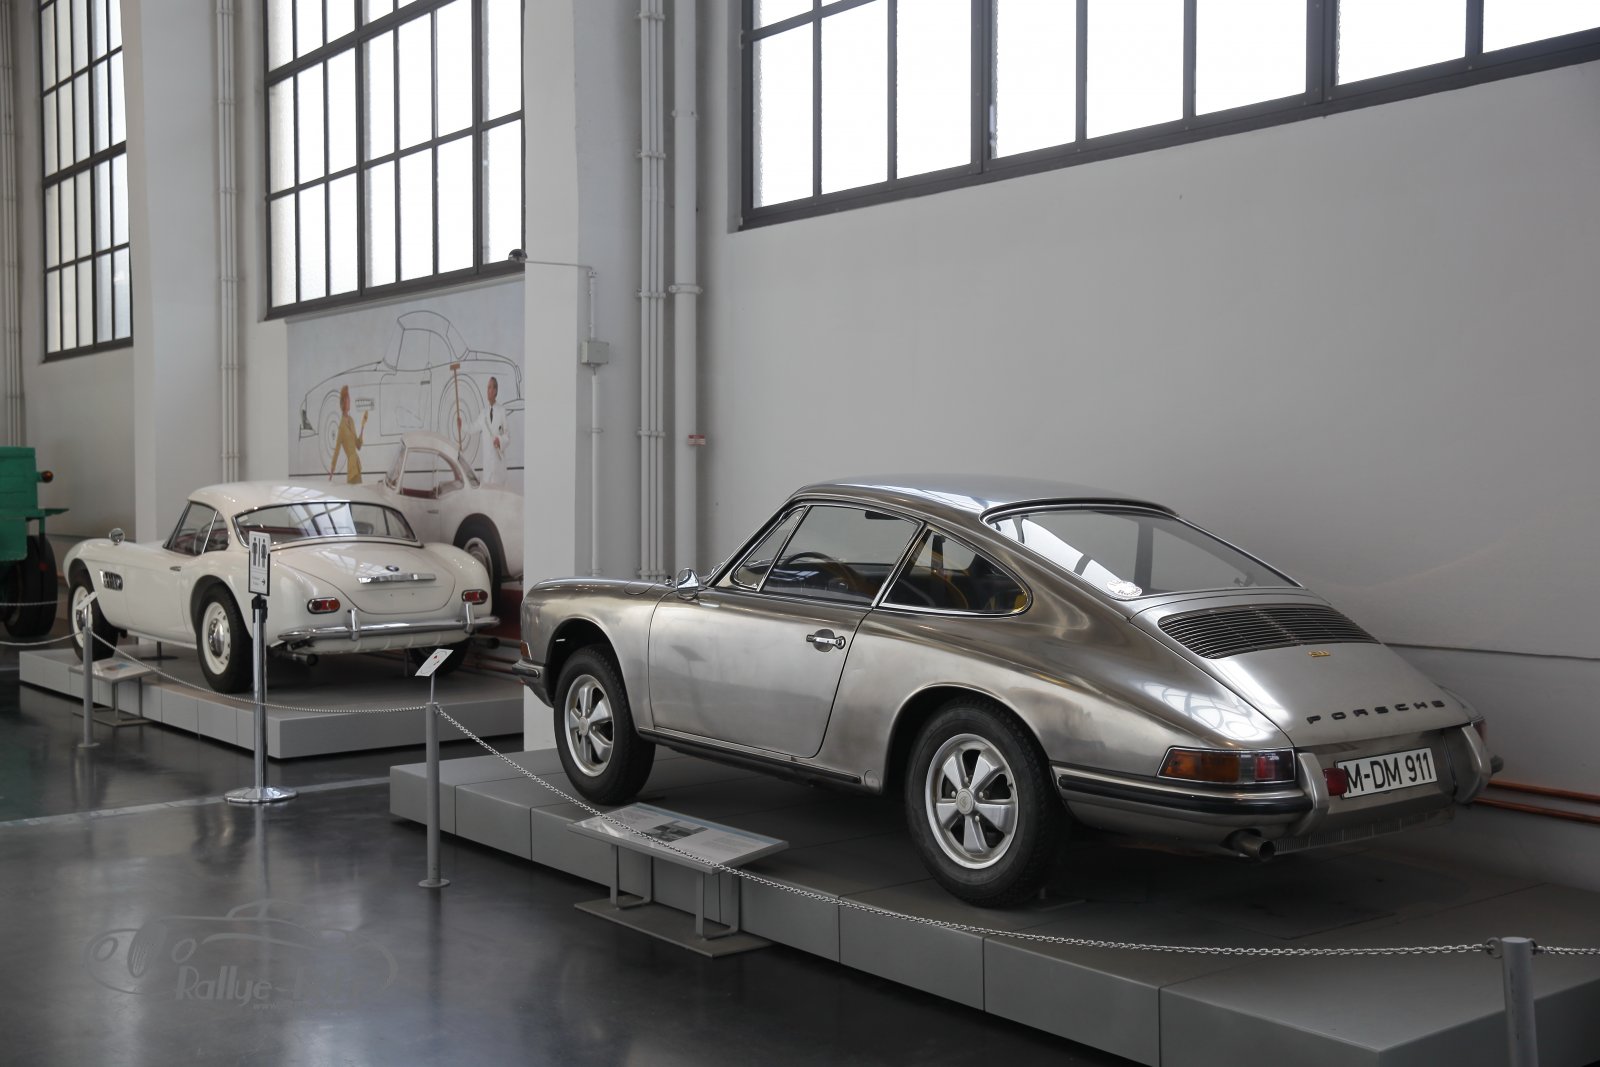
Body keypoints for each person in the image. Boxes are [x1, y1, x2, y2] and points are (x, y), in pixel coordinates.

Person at [329, 385, 367, 484]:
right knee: (354, 491)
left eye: (349, 398)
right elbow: (337, 450)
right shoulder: (341, 427)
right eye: (347, 398)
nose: (349, 400)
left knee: (358, 490)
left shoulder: (351, 420)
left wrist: (363, 426)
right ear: (343, 402)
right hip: (351, 467)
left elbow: (358, 446)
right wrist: (331, 472)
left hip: (357, 464)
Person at [478, 377, 509, 485]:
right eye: (487, 387)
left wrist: (499, 440)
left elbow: (507, 436)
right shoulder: (483, 413)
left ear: (495, 391)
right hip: (487, 467)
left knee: (499, 494)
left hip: (498, 466)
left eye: (490, 387)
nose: (488, 390)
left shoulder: (502, 411)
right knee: (488, 493)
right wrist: (462, 425)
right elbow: (473, 427)